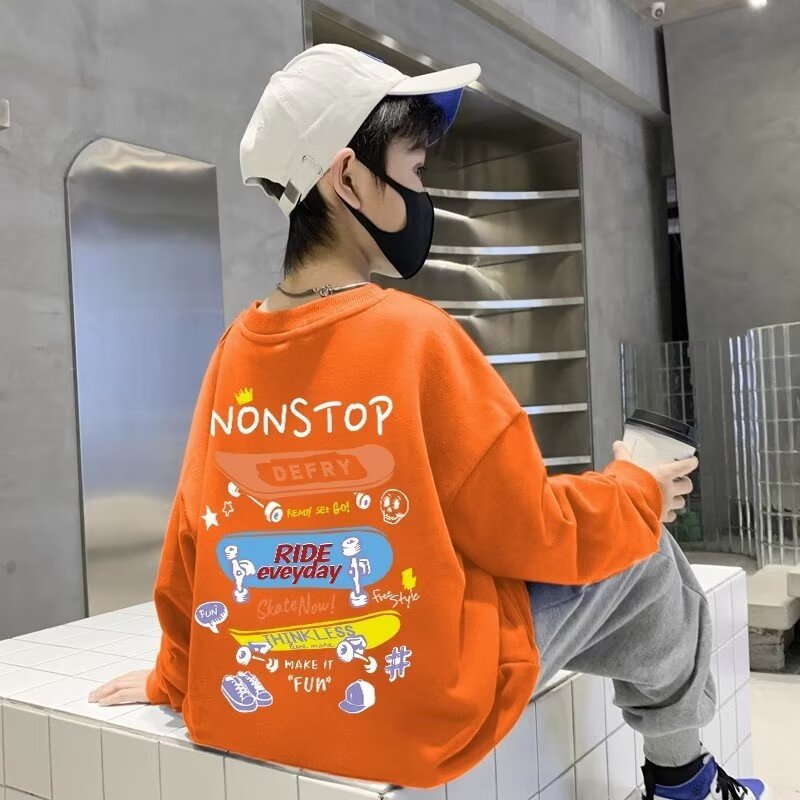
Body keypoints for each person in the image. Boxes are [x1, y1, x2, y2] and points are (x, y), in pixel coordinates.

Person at [87, 44, 768, 799]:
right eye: (413, 170)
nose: (421, 194)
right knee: (647, 559)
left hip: (250, 705)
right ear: (348, 177)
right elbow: (531, 533)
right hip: (416, 711)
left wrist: (176, 678)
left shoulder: (233, 351)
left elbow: (190, 545)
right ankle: (683, 782)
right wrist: (636, 489)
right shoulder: (416, 336)